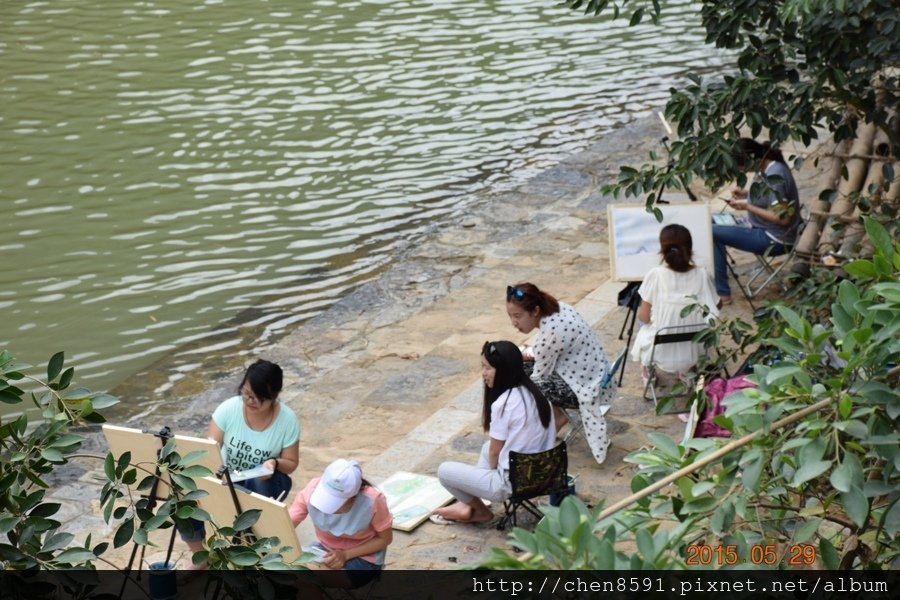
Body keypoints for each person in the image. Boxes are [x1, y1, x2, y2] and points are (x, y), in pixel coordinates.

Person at [183, 359, 300, 565]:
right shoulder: (229, 409)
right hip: (229, 476)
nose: (250, 401)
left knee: (256, 485)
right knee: (184, 494)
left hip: (266, 480)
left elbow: (291, 463)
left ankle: (255, 549)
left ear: (274, 396)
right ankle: (199, 556)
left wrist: (274, 463)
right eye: (246, 393)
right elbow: (210, 449)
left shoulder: (287, 420)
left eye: (258, 397)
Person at [432, 341, 556, 524]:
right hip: (545, 474)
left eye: (487, 368)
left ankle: (480, 510)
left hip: (512, 483)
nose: (483, 373)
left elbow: (495, 453)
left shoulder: (504, 404)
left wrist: (490, 475)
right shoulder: (537, 394)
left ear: (503, 370)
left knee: (444, 471)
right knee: (486, 447)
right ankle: (471, 503)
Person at [505, 283, 613, 464]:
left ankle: (556, 417)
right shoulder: (560, 308)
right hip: (599, 376)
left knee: (518, 373)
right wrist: (532, 353)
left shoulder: (551, 334)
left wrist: (522, 356)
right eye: (510, 316)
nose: (514, 322)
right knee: (525, 365)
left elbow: (539, 375)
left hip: (585, 389)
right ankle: (551, 415)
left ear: (535, 311)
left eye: (518, 316)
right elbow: (547, 352)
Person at [713, 138, 801, 304]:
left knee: (712, 232)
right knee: (709, 221)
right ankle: (717, 278)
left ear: (753, 159)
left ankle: (722, 292)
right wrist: (746, 194)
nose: (742, 170)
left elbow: (782, 218)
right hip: (759, 227)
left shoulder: (775, 174)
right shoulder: (767, 168)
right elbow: (767, 198)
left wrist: (748, 207)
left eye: (743, 166)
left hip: (775, 239)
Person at [629, 224, 720, 379]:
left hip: (659, 351)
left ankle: (647, 369)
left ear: (662, 250)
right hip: (695, 350)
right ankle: (686, 371)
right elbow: (716, 306)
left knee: (643, 324)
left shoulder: (656, 275)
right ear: (690, 248)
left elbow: (644, 317)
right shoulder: (702, 274)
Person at [288, 459, 392, 588]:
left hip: (364, 557)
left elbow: (385, 539)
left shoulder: (372, 500)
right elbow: (287, 523)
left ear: (353, 497)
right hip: (324, 550)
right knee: (289, 569)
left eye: (335, 502)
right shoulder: (311, 489)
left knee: (304, 575)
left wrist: (345, 555)